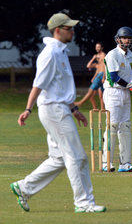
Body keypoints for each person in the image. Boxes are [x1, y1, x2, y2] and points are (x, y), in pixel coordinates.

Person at [12, 13, 106, 213]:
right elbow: (38, 84)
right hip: (53, 110)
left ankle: (24, 188)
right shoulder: (50, 53)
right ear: (57, 30)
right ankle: (84, 203)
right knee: (77, 157)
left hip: (60, 108)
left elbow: (60, 86)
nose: (72, 31)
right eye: (68, 28)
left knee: (59, 158)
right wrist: (28, 108)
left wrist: (74, 109)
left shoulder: (61, 52)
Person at [102, 26, 132, 172]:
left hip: (125, 92)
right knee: (112, 126)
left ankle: (125, 164)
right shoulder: (112, 55)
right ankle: (107, 163)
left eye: (129, 38)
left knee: (125, 126)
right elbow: (114, 77)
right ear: (118, 39)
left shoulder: (130, 55)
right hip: (113, 92)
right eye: (125, 38)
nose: (127, 40)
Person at [74, 42, 105, 109]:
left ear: (102, 48)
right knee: (101, 94)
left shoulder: (103, 55)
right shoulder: (97, 58)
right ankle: (101, 109)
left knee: (91, 90)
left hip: (101, 74)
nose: (97, 48)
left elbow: (106, 66)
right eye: (96, 47)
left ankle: (80, 103)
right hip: (99, 75)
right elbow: (88, 66)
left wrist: (104, 77)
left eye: (98, 47)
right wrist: (93, 58)